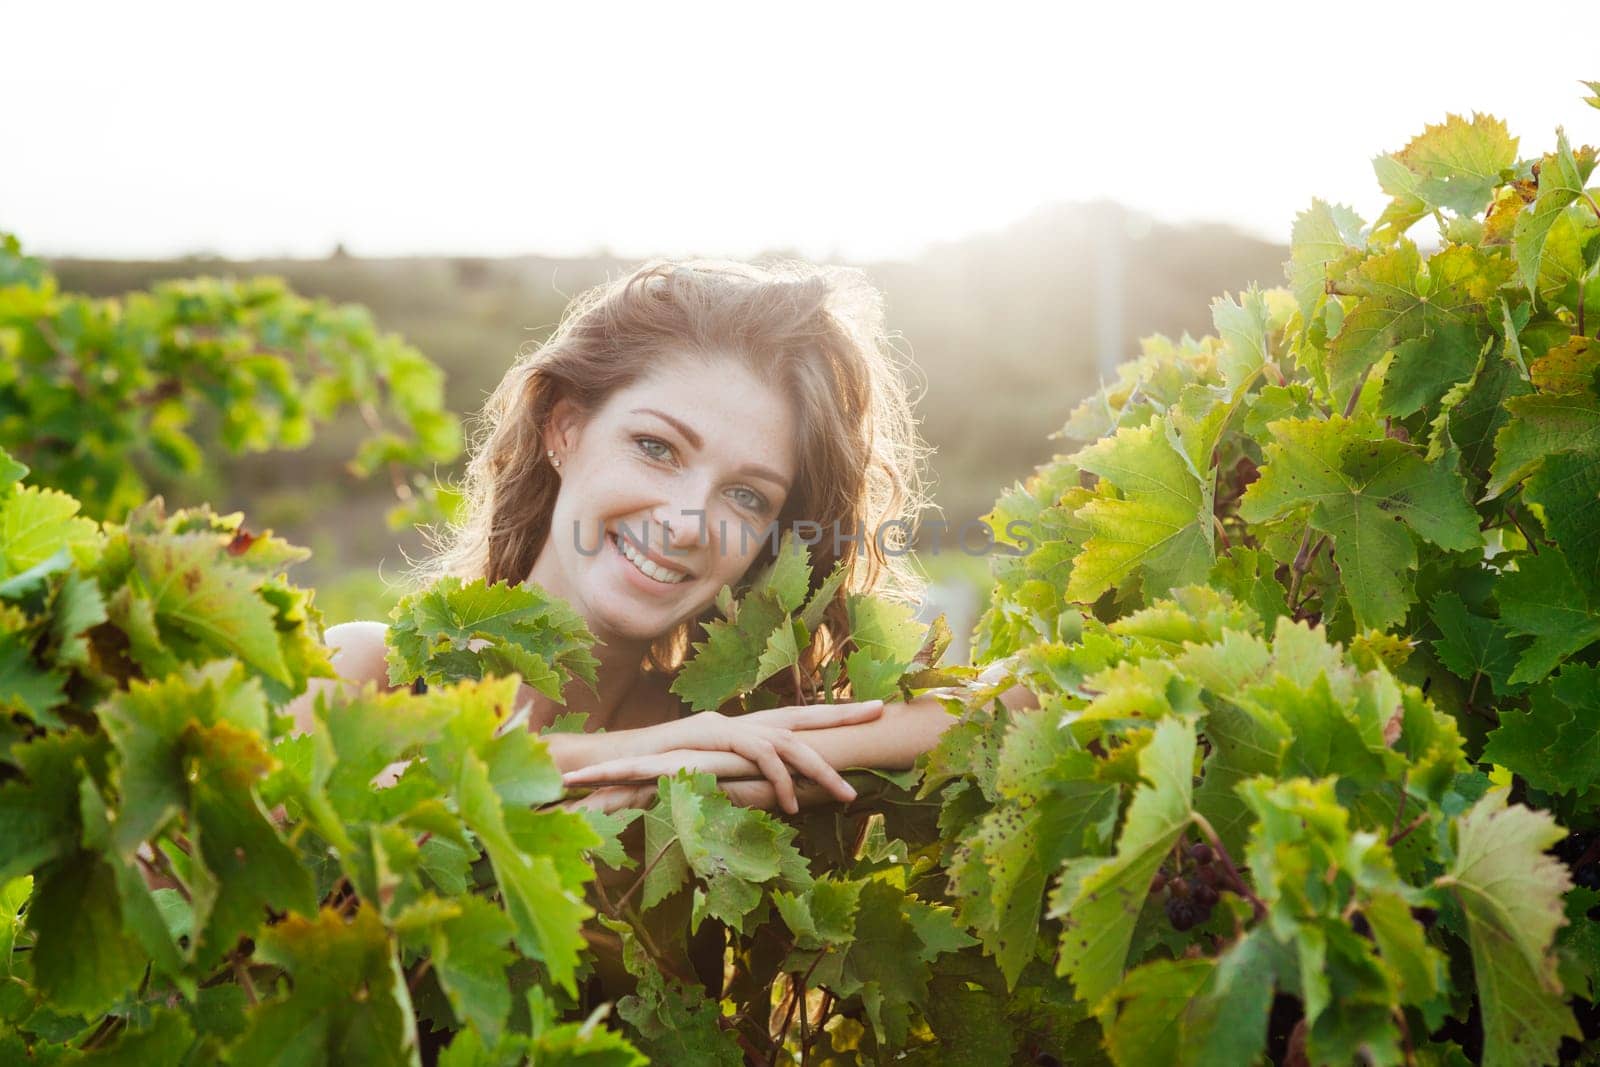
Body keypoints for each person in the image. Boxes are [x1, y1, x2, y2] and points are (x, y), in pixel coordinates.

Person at [284, 258, 1028, 817]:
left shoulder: (716, 740)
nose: (683, 521)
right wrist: (638, 759)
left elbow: (1023, 703)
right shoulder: (367, 671)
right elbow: (310, 807)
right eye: (657, 447)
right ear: (564, 427)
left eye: (745, 494)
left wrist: (704, 750)